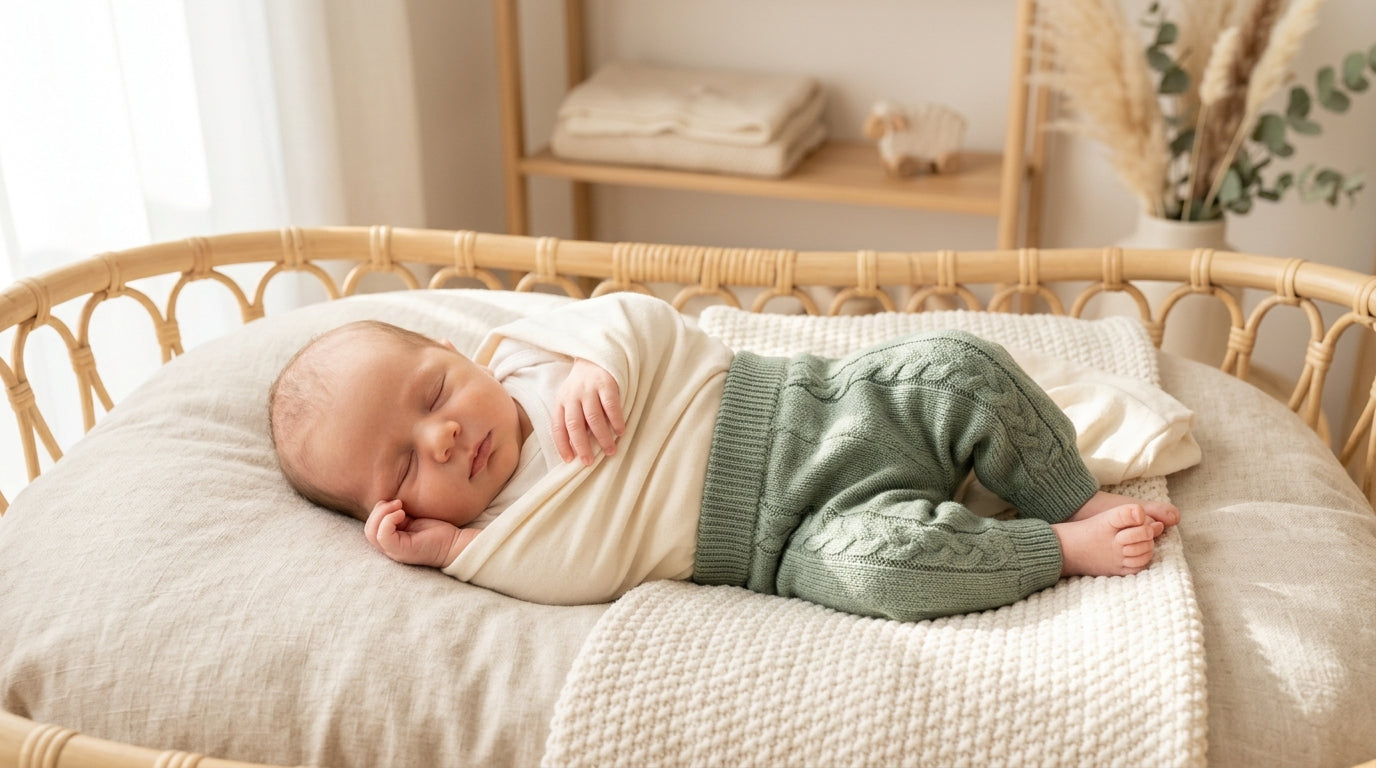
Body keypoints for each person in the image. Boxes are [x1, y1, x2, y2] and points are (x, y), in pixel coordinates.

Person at [268, 293, 1181, 622]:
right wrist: (446, 553)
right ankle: (1055, 550)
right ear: (402, 513)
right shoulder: (501, 535)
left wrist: (599, 359)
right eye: (402, 471)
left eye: (432, 395)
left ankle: (1067, 496)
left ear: (463, 357)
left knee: (960, 369)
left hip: (814, 408)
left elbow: (644, 318)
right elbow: (572, 572)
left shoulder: (531, 355)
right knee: (884, 570)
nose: (444, 437)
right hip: (789, 538)